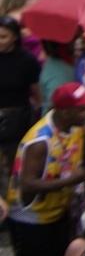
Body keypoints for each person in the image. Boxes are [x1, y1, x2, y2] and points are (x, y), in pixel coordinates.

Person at [8, 81, 85, 256]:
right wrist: (73, 179)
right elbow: (28, 184)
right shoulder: (40, 141)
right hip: (31, 222)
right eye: (82, 109)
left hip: (58, 215)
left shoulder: (78, 128)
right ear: (65, 112)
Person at [0, 15, 40, 171]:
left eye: (4, 37)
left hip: (17, 119)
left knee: (14, 162)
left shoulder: (27, 60)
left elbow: (36, 91)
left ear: (15, 37)